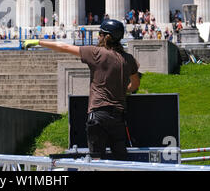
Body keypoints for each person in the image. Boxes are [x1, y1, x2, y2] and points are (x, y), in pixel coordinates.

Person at [23, 19, 141, 160]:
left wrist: (38, 42)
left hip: (98, 114)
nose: (98, 36)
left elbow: (64, 47)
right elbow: (135, 85)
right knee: (121, 162)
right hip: (118, 117)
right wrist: (124, 89)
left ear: (105, 36)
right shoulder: (129, 59)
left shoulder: (96, 53)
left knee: (96, 161)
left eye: (100, 34)